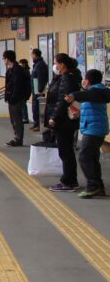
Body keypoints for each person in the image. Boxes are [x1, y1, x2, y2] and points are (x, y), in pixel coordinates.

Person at [64, 70, 108, 198]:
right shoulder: (93, 93)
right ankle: (98, 187)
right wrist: (79, 113)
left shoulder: (98, 91)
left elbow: (89, 95)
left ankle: (93, 186)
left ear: (87, 80)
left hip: (94, 130)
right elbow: (90, 103)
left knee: (84, 157)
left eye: (85, 78)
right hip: (93, 128)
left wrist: (73, 95)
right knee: (92, 158)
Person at [47, 54, 82, 192]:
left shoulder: (67, 78)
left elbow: (63, 100)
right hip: (68, 120)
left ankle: (68, 181)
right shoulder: (71, 76)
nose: (54, 65)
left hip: (64, 121)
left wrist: (54, 117)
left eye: (56, 63)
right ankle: (69, 179)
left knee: (65, 151)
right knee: (67, 151)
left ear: (62, 64)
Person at [2, 51, 30, 147]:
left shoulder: (17, 70)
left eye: (4, 58)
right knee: (14, 119)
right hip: (12, 98)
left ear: (7, 59)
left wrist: (13, 97)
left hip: (16, 99)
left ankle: (18, 139)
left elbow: (17, 86)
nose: (3, 60)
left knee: (17, 119)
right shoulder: (11, 69)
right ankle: (16, 137)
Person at [30, 48, 49, 131]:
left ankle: (38, 124)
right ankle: (36, 123)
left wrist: (40, 90)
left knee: (37, 107)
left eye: (32, 54)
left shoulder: (40, 65)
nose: (31, 56)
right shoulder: (37, 64)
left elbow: (41, 78)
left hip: (38, 90)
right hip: (35, 89)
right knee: (35, 107)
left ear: (35, 55)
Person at [18, 59, 31, 125]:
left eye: (20, 63)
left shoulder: (25, 71)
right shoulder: (26, 71)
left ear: (24, 64)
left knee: (23, 104)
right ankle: (24, 117)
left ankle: (25, 118)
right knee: (22, 104)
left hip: (24, 91)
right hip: (25, 91)